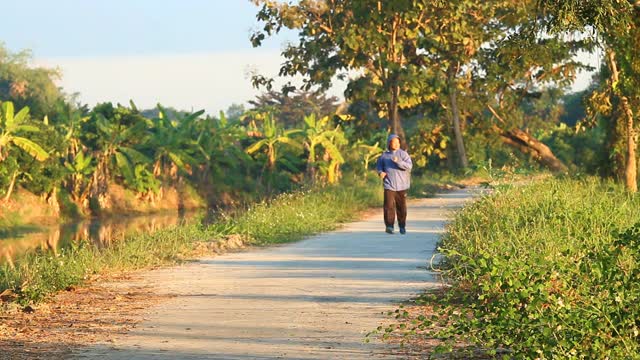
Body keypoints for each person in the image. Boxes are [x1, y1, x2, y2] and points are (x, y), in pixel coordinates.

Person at [376, 134, 412, 234]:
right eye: (393, 142)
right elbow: (379, 167)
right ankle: (389, 226)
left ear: (399, 143)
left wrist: (398, 162)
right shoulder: (384, 156)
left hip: (402, 185)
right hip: (389, 184)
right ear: (389, 143)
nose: (395, 144)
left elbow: (409, 166)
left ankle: (402, 226)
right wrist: (380, 172)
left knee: (401, 206)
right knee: (388, 206)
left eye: (397, 142)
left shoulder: (403, 154)